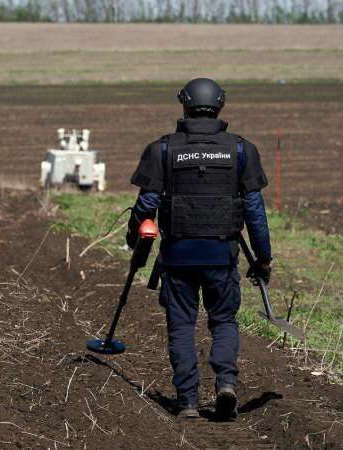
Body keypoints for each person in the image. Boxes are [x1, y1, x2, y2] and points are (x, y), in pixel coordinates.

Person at [127, 78, 272, 420]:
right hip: (222, 256)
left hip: (177, 256)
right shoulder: (240, 150)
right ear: (220, 106)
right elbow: (254, 212)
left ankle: (188, 401)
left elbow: (146, 204)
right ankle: (225, 384)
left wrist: (135, 241)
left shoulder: (162, 149)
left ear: (184, 105)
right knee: (223, 321)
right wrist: (263, 258)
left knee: (181, 325)